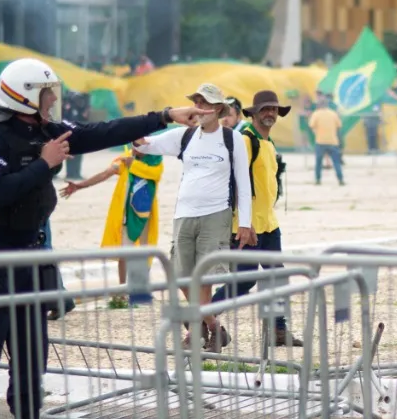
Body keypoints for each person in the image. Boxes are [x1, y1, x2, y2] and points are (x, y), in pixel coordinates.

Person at [0, 59, 209, 419]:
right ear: (24, 95)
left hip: (33, 260)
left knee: (30, 361)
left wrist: (166, 115)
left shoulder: (43, 130)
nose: (53, 99)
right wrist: (43, 163)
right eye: (46, 93)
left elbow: (102, 132)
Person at [134, 83, 253, 349]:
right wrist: (141, 127)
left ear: (219, 108)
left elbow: (243, 183)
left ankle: (195, 332)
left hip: (216, 215)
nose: (201, 107)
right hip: (183, 214)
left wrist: (244, 222)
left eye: (207, 103)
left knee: (205, 279)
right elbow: (145, 145)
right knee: (181, 277)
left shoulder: (232, 138)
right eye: (197, 102)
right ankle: (212, 326)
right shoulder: (184, 136)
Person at [208, 90, 301, 347]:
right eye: (265, 110)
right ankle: (204, 317)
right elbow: (234, 179)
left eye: (274, 109)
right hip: (246, 225)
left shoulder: (267, 142)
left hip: (269, 223)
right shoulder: (246, 139)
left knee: (276, 277)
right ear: (254, 113)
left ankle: (278, 330)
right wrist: (241, 223)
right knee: (245, 278)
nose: (270, 113)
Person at [60, 145, 164, 298]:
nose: (135, 149)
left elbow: (155, 174)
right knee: (124, 251)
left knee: (145, 250)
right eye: (134, 145)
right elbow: (106, 173)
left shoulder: (155, 161)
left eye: (140, 146)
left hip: (145, 213)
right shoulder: (125, 159)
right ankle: (122, 290)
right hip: (125, 212)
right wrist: (80, 186)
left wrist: (133, 165)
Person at [308, 96, 345, 186]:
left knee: (318, 162)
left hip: (320, 141)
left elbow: (311, 125)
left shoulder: (316, 114)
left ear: (319, 105)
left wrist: (316, 131)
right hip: (333, 141)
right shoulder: (333, 114)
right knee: (336, 162)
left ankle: (318, 179)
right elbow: (339, 125)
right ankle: (340, 180)